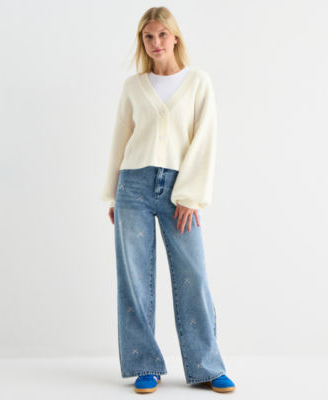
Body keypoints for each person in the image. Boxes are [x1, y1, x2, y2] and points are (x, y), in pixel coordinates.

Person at [101, 6, 236, 394]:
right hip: (133, 187)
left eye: (162, 34)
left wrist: (191, 196)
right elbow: (120, 140)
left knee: (193, 275)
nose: (156, 42)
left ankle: (206, 366)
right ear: (142, 41)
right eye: (148, 36)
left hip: (180, 189)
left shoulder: (198, 82)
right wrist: (112, 194)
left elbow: (205, 139)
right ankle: (144, 364)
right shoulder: (134, 87)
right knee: (134, 279)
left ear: (175, 37)